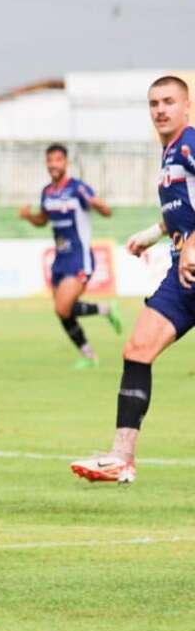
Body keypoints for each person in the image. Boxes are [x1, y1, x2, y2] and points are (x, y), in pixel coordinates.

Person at [71, 75, 195, 484]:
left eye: (169, 102)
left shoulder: (191, 143)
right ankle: (122, 457)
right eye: (154, 103)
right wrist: (155, 233)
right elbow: (181, 205)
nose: (160, 110)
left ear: (187, 105)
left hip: (189, 262)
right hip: (184, 275)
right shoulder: (171, 152)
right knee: (137, 349)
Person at [18, 144, 121, 368]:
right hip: (60, 259)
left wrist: (98, 204)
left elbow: (106, 211)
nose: (54, 164)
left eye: (58, 160)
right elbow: (43, 221)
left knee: (62, 308)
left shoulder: (78, 188)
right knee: (63, 311)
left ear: (66, 162)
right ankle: (90, 353)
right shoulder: (47, 192)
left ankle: (102, 319)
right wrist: (28, 217)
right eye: (50, 160)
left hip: (79, 258)